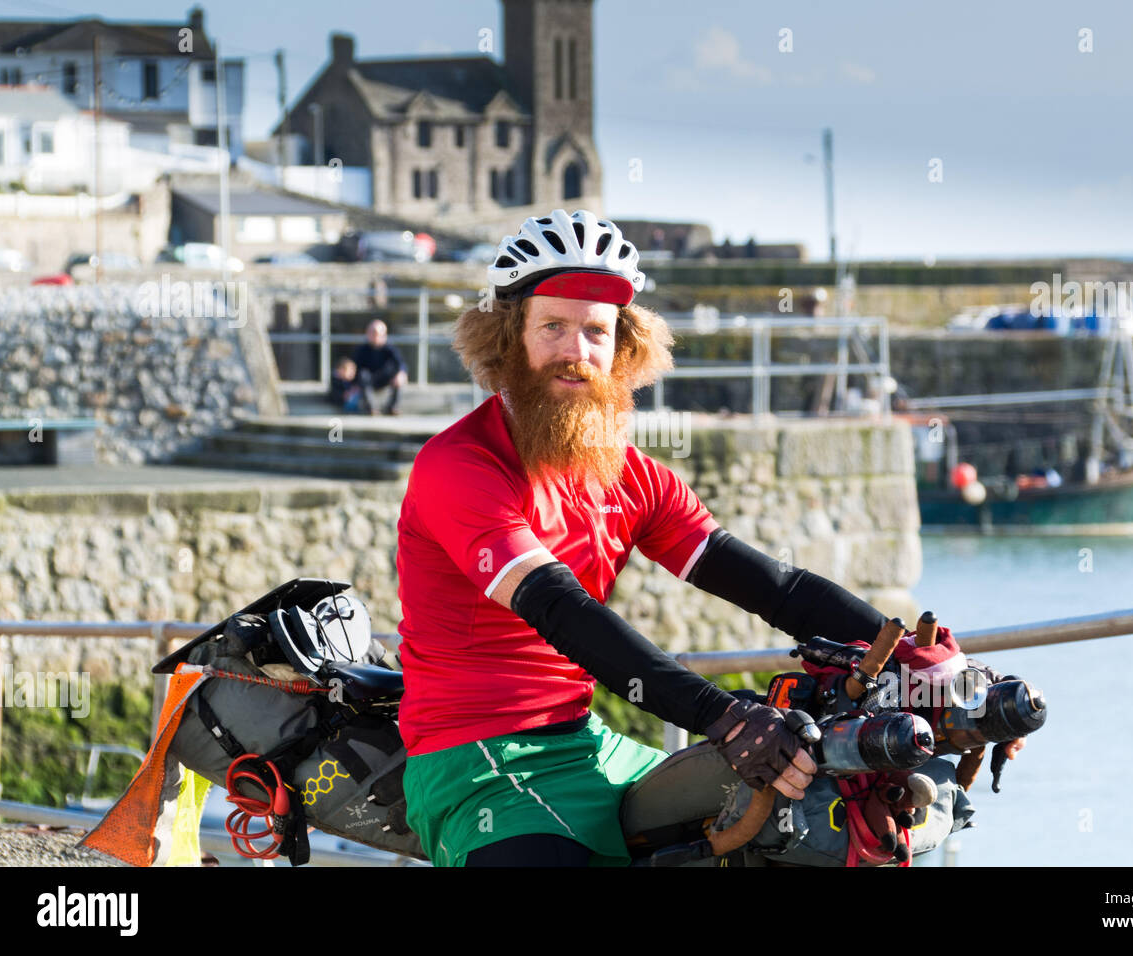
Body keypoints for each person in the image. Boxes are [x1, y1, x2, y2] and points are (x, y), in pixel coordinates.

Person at [395, 209, 1006, 868]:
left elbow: (778, 591)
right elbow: (561, 609)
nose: (576, 352)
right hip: (473, 762)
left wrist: (939, 674)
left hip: (588, 744)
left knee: (789, 829)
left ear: (623, 350)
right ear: (508, 338)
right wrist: (726, 717)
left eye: (597, 332)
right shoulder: (460, 466)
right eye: (553, 327)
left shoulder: (629, 474)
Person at [352, 320, 408, 415]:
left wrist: (401, 373)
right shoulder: (361, 350)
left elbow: (400, 364)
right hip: (368, 380)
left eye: (377, 333)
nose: (374, 336)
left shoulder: (390, 349)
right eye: (372, 332)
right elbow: (355, 368)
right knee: (363, 375)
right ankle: (370, 408)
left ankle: (392, 407)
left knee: (397, 374)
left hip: (384, 378)